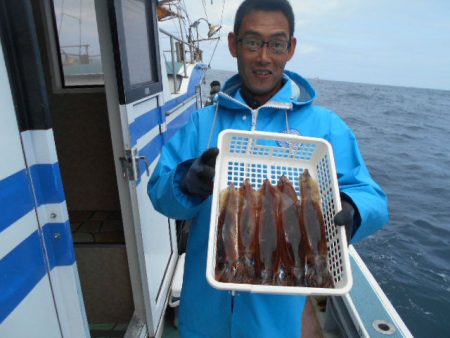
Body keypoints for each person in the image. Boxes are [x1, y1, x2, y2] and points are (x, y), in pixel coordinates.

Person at [148, 0, 389, 337]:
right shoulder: (203, 123)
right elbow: (160, 194)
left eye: (276, 43)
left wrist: (353, 209)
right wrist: (186, 184)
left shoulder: (326, 127)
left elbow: (371, 195)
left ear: (290, 48)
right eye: (252, 42)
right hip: (204, 312)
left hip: (276, 322)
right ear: (234, 45)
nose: (264, 56)